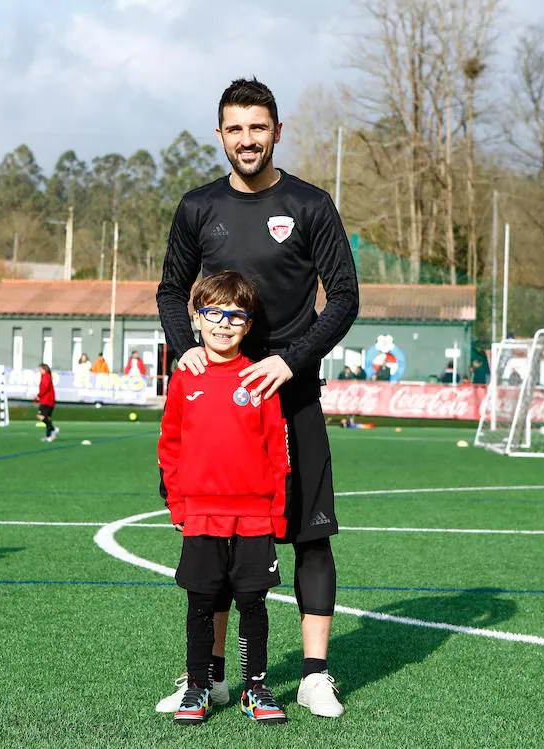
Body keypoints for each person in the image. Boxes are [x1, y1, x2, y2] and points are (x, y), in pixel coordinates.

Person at [156, 77, 358, 718]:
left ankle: (315, 675)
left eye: (258, 127)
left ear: (277, 131)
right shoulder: (196, 207)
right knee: (214, 537)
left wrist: (289, 360)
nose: (247, 139)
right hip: (218, 410)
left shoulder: (311, 205)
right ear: (220, 135)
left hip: (290, 398)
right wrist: (181, 344)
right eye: (235, 128)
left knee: (311, 537)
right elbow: (170, 291)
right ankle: (211, 678)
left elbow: (345, 298)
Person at [159, 271, 289, 726]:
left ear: (248, 324)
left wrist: (277, 511)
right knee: (201, 604)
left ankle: (255, 688)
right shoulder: (185, 376)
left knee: (252, 603)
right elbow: (169, 446)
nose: (223, 323)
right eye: (213, 313)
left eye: (236, 316)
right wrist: (178, 505)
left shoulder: (258, 378)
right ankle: (198, 687)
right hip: (202, 517)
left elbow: (278, 450)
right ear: (197, 317)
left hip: (254, 517)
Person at [35, 364, 58, 442]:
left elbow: (45, 387)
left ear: (44, 369)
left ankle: (53, 429)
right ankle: (48, 435)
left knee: (40, 415)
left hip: (47, 401)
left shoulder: (46, 376)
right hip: (49, 400)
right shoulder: (46, 376)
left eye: (40, 369)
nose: (39, 371)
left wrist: (39, 396)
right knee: (47, 418)